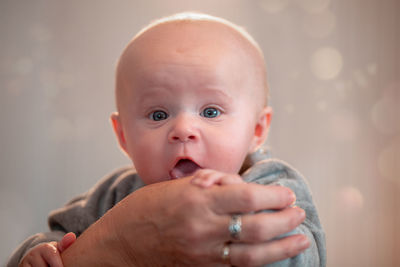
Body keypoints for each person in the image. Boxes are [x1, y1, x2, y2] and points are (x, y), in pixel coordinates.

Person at [8, 12, 326, 267]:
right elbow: (56, 237)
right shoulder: (113, 197)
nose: (184, 129)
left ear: (257, 130)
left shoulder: (272, 184)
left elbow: (306, 254)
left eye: (211, 111)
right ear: (123, 137)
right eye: (159, 114)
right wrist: (39, 251)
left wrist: (245, 218)